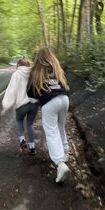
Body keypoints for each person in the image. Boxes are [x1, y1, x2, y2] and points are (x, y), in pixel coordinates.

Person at [27, 47, 70, 182]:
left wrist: (35, 99)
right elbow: (64, 84)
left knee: (51, 132)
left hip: (50, 103)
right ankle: (65, 152)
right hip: (64, 99)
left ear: (38, 58)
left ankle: (60, 163)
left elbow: (30, 92)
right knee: (60, 127)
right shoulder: (56, 67)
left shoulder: (37, 71)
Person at [1, 58, 38, 154]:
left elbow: (11, 90)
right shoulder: (33, 73)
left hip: (21, 104)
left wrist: (6, 105)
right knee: (30, 124)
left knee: (19, 121)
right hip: (33, 103)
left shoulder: (16, 74)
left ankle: (22, 140)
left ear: (18, 65)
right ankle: (32, 148)